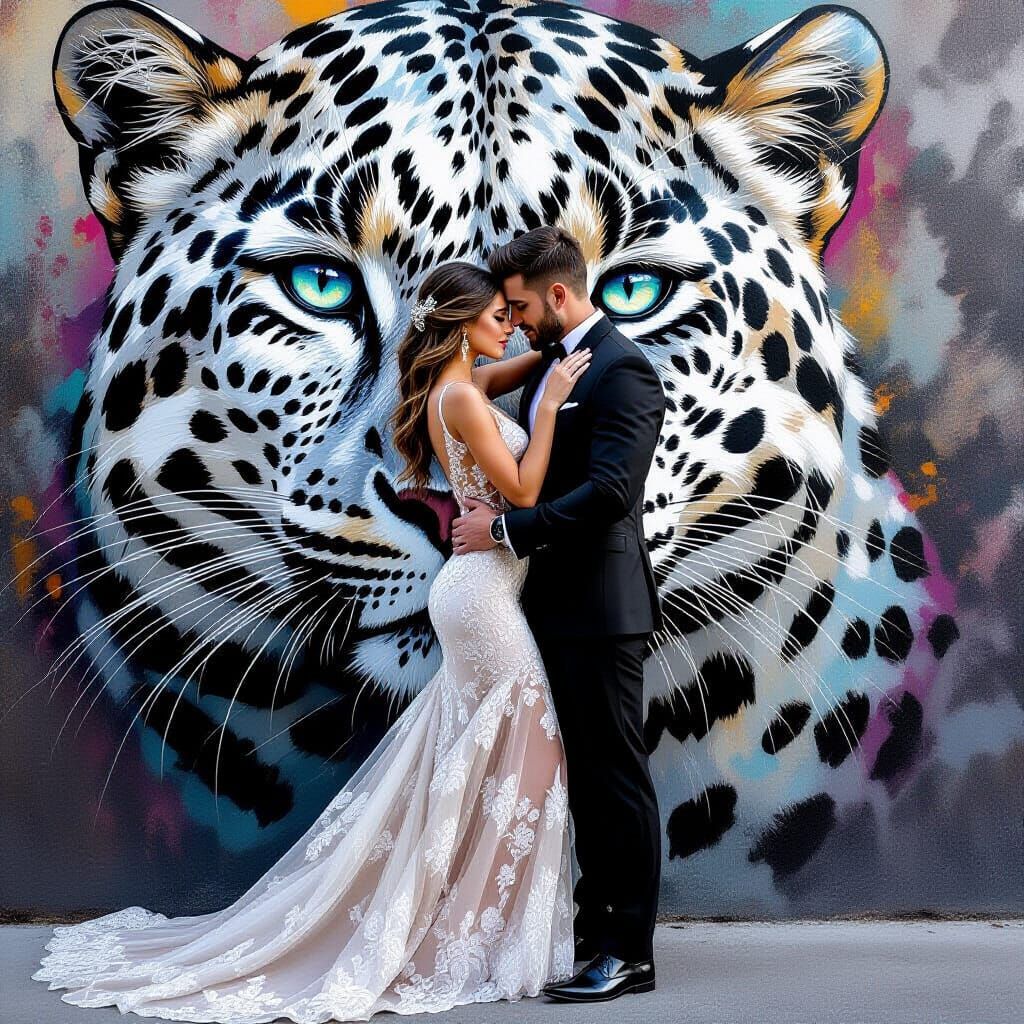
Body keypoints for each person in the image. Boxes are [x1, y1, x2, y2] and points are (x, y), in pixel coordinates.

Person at [33, 261, 593, 1021]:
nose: (512, 328)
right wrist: (553, 404)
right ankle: (476, 934)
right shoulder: (461, 395)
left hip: (476, 591)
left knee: (474, 757)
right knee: (528, 754)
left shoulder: (458, 387)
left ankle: (474, 930)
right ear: (465, 327)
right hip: (481, 597)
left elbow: (510, 368)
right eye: (499, 316)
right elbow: (522, 492)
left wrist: (556, 353)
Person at [452, 226, 666, 1004]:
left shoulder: (624, 373)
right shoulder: (554, 360)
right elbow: (468, 385)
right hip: (549, 605)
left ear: (561, 295)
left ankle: (628, 951)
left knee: (615, 779)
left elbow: (613, 492)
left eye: (520, 307)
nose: (514, 320)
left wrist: (505, 530)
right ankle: (590, 932)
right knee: (579, 780)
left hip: (603, 611)